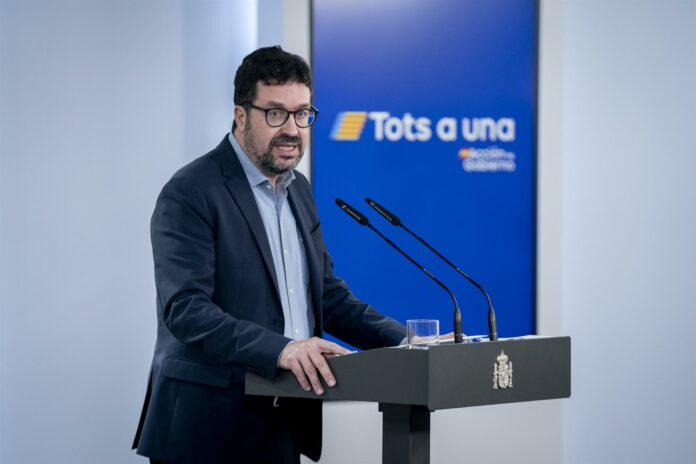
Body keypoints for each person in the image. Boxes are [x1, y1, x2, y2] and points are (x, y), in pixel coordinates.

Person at [132, 46, 407, 464]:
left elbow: (327, 297)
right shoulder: (191, 191)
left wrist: (409, 342)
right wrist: (282, 349)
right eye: (276, 113)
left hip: (283, 420)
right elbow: (185, 309)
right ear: (241, 116)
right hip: (205, 430)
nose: (292, 129)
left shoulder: (299, 190)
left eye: (302, 113)